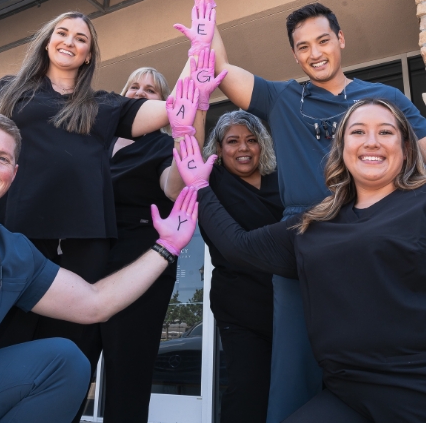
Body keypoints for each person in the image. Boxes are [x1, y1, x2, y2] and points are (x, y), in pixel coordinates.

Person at [203, 1, 426, 421]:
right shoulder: (282, 96)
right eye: (303, 46)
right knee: (293, 366)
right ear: (295, 55)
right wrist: (207, 16)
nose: (315, 52)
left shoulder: (386, 99)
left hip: (377, 229)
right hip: (304, 237)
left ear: (340, 39)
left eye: (323, 40)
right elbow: (220, 68)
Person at [0, 113, 199, 423]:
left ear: (14, 174)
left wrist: (167, 247)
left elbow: (94, 304)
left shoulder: (12, 252)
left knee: (65, 361)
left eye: (1, 159)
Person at [0, 11, 174, 420]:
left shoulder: (104, 105)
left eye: (81, 38)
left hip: (83, 245)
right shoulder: (10, 91)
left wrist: (202, 46)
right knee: (4, 342)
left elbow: (176, 109)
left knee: (67, 352)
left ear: (88, 55)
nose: (70, 41)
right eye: (62, 33)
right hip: (16, 235)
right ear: (47, 42)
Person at [175, 99, 426, 422]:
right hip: (347, 394)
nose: (371, 141)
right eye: (358, 131)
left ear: (406, 147)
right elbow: (238, 247)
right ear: (342, 147)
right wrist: (198, 186)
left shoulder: (419, 205)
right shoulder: (316, 222)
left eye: (385, 132)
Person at [99, 67, 185, 423]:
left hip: (140, 265)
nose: (138, 92)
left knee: (128, 375)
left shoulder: (164, 145)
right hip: (83, 260)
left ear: (162, 104)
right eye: (132, 85)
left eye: (150, 90)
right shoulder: (95, 141)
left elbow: (174, 188)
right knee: (68, 362)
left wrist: (184, 136)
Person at [200, 111, 283, 423]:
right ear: (219, 150)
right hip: (240, 308)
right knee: (248, 390)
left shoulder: (283, 182)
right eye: (232, 141)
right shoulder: (212, 182)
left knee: (294, 387)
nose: (243, 148)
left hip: (290, 302)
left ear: (262, 145)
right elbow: (187, 147)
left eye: (251, 140)